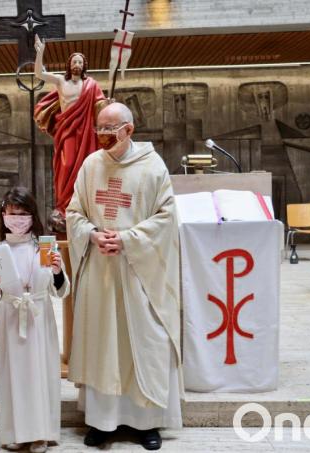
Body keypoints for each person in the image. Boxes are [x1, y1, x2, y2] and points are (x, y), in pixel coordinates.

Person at [65, 103, 183, 450]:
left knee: (144, 343)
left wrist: (128, 239)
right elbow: (74, 212)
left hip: (139, 272)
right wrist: (91, 234)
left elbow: (167, 217)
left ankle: (147, 423)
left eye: (109, 129)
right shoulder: (90, 165)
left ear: (129, 130)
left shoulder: (152, 167)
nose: (101, 136)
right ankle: (102, 423)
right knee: (103, 344)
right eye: (98, 128)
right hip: (100, 271)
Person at [0, 187, 69, 453]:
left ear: (33, 216)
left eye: (23, 213)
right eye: (12, 213)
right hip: (10, 317)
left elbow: (62, 290)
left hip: (39, 318)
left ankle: (41, 432)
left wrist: (56, 271)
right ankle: (17, 431)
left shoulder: (45, 246)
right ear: (3, 215)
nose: (17, 218)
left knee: (40, 375)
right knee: (14, 376)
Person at [33, 34, 108, 234]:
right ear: (69, 64)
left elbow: (100, 105)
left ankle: (83, 207)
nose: (77, 64)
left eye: (80, 62)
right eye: (74, 61)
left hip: (85, 134)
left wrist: (108, 105)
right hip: (66, 132)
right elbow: (39, 73)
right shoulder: (60, 81)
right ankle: (64, 207)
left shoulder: (91, 85)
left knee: (86, 167)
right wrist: (40, 53)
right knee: (65, 167)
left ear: (84, 66)